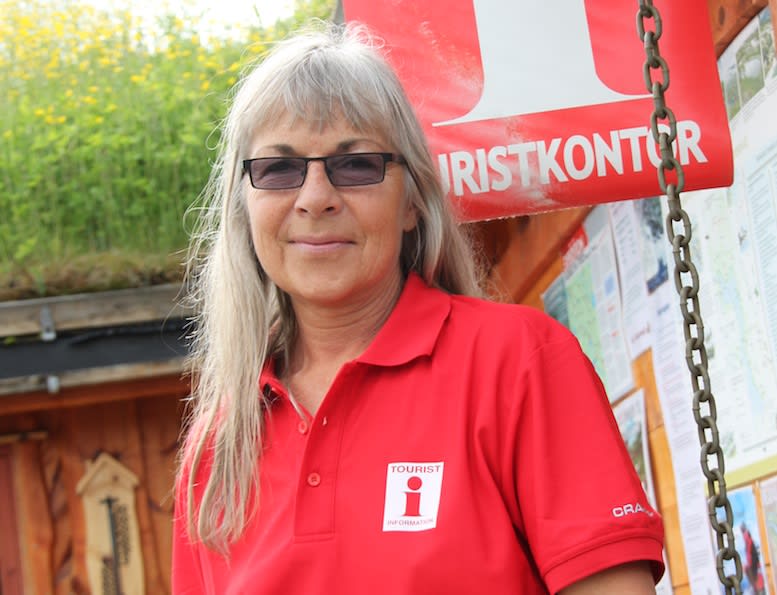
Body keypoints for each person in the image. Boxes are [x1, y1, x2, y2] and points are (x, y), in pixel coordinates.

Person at [172, 21, 665, 594]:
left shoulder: (518, 360)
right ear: (243, 209)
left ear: (412, 203)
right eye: (278, 169)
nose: (315, 199)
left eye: (356, 165)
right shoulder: (217, 447)